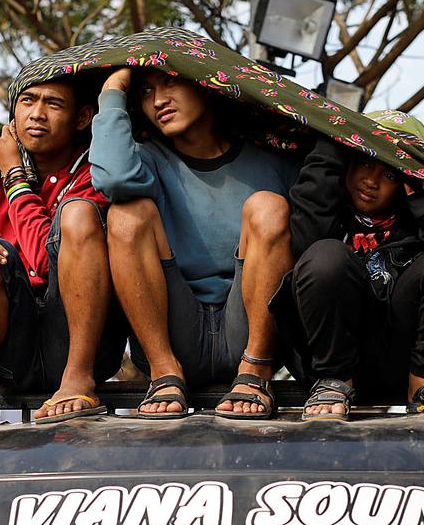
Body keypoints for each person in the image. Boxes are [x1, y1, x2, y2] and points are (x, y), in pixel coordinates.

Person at [90, 67, 301, 419]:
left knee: (268, 206)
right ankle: (163, 374)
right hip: (173, 338)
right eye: (144, 92)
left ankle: (255, 373)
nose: (158, 100)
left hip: (253, 332)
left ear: (206, 85)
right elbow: (112, 178)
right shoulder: (146, 160)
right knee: (126, 214)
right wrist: (113, 89)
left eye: (171, 81)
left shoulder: (272, 160)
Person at [0, 76, 127, 426]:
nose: (36, 114)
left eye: (53, 104)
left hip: (83, 346)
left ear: (82, 118)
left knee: (78, 212)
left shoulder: (96, 173)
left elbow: (44, 260)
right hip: (11, 353)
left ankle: (77, 380)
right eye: (27, 101)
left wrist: (14, 176)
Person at [277, 120, 424, 420]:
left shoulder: (420, 219)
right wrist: (333, 138)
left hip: (400, 357)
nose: (371, 181)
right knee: (325, 255)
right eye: (364, 163)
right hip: (331, 362)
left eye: (389, 173)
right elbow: (308, 247)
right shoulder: (324, 211)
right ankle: (337, 381)